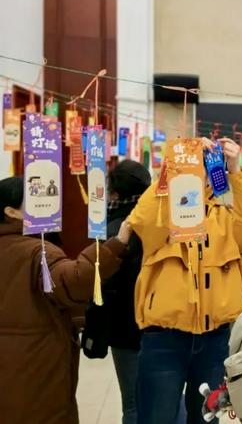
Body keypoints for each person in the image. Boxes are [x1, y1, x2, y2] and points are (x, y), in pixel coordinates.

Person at [128, 137, 242, 424]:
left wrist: (235, 171)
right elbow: (142, 223)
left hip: (215, 338)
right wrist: (174, 170)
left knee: (207, 419)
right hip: (163, 338)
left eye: (203, 163)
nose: (200, 169)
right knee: (157, 418)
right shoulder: (164, 204)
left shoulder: (225, 211)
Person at [0, 176, 131, 423]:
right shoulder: (36, 252)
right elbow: (75, 281)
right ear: (11, 212)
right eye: (34, 199)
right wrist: (116, 245)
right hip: (36, 363)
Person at [82, 161, 153, 424]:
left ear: (114, 193)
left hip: (124, 328)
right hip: (161, 322)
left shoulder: (112, 229)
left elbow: (100, 281)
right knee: (164, 397)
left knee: (133, 402)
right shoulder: (159, 222)